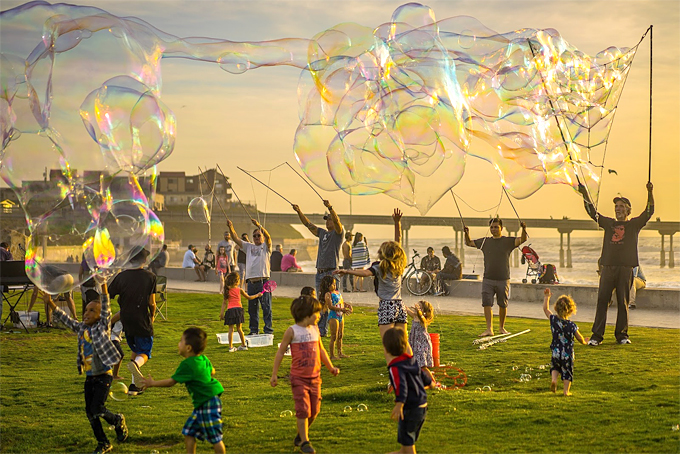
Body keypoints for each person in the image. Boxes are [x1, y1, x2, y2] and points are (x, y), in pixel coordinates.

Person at [45, 277, 128, 454]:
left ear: (100, 316)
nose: (87, 313)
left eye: (92, 311)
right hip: (90, 377)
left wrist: (104, 283)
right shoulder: (82, 329)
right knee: (90, 413)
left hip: (104, 376)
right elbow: (66, 319)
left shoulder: (102, 327)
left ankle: (117, 419)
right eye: (86, 310)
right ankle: (103, 442)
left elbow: (105, 305)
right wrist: (51, 303)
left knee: (97, 409)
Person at [578, 182, 654, 345]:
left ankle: (622, 335)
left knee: (623, 302)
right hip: (608, 268)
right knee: (602, 301)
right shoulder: (609, 223)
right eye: (616, 206)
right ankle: (596, 337)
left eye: (621, 206)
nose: (618, 209)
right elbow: (592, 212)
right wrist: (584, 193)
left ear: (628, 210)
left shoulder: (633, 224)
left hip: (625, 268)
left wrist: (650, 192)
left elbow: (649, 212)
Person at [336, 209, 410, 360]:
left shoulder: (379, 266)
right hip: (400, 305)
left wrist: (347, 271)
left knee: (388, 345)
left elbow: (364, 273)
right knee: (404, 343)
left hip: (386, 306)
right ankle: (413, 370)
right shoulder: (399, 264)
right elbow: (399, 242)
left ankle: (394, 377)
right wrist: (397, 223)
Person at [270, 295, 340, 454]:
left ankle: (300, 435)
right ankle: (305, 442)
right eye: (316, 313)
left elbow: (321, 350)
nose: (320, 315)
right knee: (303, 409)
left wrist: (330, 367)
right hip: (298, 378)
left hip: (315, 378)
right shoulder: (292, 331)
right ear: (306, 315)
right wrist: (274, 374)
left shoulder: (315, 330)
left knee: (315, 410)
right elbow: (280, 353)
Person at [140, 327, 226, 454]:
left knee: (215, 438)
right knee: (189, 432)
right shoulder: (203, 359)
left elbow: (171, 382)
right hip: (207, 401)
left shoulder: (187, 364)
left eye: (181, 341)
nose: (178, 344)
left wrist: (152, 383)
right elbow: (213, 371)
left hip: (207, 401)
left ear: (188, 348)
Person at [464, 217, 528, 337]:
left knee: (503, 304)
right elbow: (468, 243)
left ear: (501, 228)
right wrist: (466, 234)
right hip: (488, 278)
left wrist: (523, 229)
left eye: (496, 227)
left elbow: (523, 239)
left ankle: (501, 328)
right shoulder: (485, 241)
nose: (493, 229)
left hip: (503, 278)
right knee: (487, 303)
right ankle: (489, 329)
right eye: (492, 227)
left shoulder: (507, 241)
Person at [108, 248, 157, 396]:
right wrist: (153, 316)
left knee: (135, 349)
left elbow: (107, 295)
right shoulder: (150, 277)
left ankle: (134, 387)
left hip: (125, 320)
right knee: (145, 352)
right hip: (141, 318)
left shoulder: (121, 276)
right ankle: (135, 364)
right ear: (144, 261)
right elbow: (152, 303)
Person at [292, 199, 344, 337]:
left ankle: (335, 329)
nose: (328, 222)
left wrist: (330, 208)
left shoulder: (338, 234)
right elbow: (308, 224)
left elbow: (338, 223)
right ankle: (322, 331)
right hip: (319, 272)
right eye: (326, 220)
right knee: (321, 304)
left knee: (333, 302)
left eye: (330, 220)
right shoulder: (322, 233)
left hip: (331, 272)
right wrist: (299, 211)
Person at [383, 327, 432, 454]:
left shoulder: (394, 367)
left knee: (408, 440)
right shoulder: (411, 360)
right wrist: (430, 383)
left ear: (386, 349)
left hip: (410, 408)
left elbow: (401, 385)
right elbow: (421, 374)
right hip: (422, 405)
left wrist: (399, 404)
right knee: (407, 441)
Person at [227, 219, 273, 336]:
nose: (257, 237)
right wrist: (231, 227)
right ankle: (254, 330)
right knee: (252, 309)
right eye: (254, 236)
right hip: (251, 282)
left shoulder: (266, 247)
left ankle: (268, 330)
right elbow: (235, 238)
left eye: (259, 235)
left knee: (266, 307)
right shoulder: (248, 247)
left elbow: (268, 237)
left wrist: (258, 225)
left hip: (264, 281)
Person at [542, 288, 587, 396]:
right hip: (567, 353)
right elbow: (579, 338)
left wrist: (546, 297)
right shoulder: (572, 325)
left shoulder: (553, 320)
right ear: (571, 310)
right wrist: (584, 342)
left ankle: (554, 380)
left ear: (556, 308)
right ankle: (566, 391)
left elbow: (545, 309)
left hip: (556, 351)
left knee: (555, 367)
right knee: (567, 371)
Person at [219, 272, 262, 352]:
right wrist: (257, 295)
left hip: (230, 311)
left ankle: (231, 347)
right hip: (239, 310)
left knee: (231, 329)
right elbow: (249, 297)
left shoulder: (227, 291)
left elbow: (224, 303)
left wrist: (221, 314)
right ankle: (243, 345)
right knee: (239, 329)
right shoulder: (240, 290)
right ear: (236, 281)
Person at [319, 275, 351, 360]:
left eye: (335, 284)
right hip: (333, 316)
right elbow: (330, 306)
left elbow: (341, 302)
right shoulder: (328, 294)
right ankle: (332, 355)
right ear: (327, 285)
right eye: (332, 284)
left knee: (340, 335)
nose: (334, 285)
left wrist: (347, 305)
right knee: (334, 336)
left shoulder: (337, 292)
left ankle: (340, 353)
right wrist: (341, 309)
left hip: (340, 315)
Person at [405, 301, 436, 385]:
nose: (416, 309)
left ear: (424, 312)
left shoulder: (423, 320)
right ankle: (419, 381)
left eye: (420, 307)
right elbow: (407, 310)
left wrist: (418, 311)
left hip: (422, 344)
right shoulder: (415, 317)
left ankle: (433, 382)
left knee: (423, 366)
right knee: (416, 364)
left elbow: (420, 316)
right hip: (415, 343)